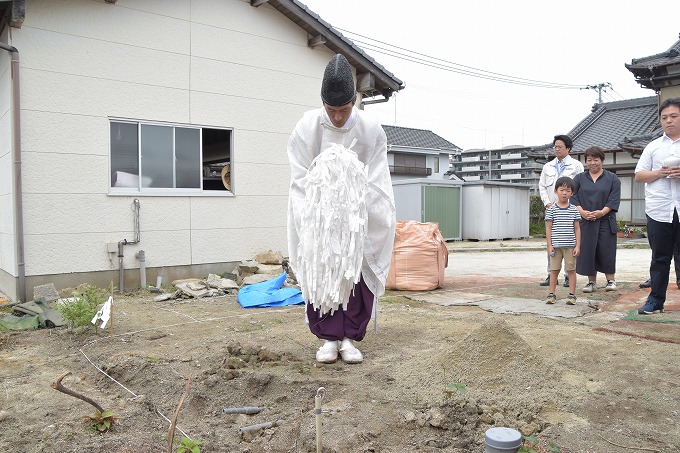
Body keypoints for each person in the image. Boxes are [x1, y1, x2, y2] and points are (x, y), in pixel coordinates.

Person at [287, 54, 396, 362]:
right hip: (321, 216)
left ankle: (349, 337)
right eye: (331, 110)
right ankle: (327, 338)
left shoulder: (371, 129)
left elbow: (377, 176)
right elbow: (299, 175)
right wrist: (319, 202)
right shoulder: (307, 127)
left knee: (355, 272)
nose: (337, 117)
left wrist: (354, 200)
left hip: (356, 216)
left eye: (343, 110)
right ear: (323, 104)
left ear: (354, 102)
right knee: (322, 268)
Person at [634, 97, 680, 314]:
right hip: (659, 211)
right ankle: (655, 300)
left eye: (673, 116)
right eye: (664, 118)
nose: (668, 121)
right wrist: (659, 173)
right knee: (659, 258)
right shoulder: (653, 147)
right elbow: (639, 175)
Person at [571, 146, 621, 293]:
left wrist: (601, 212)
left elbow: (614, 199)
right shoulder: (579, 178)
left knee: (606, 250)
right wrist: (582, 212)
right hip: (585, 220)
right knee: (587, 250)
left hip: (606, 219)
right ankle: (591, 282)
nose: (593, 163)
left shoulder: (613, 178)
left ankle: (610, 280)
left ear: (602, 160)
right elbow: (574, 197)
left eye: (596, 160)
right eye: (589, 160)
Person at [538, 135, 584, 287]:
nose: (556, 149)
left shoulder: (576, 165)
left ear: (568, 148)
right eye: (555, 147)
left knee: (569, 241)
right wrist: (547, 203)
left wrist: (575, 205)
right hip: (553, 208)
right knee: (551, 242)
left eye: (560, 147)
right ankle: (551, 273)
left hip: (569, 210)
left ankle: (567, 275)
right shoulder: (548, 166)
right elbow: (542, 186)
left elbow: (579, 188)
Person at [544, 176, 581, 305]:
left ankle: (571, 295)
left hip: (570, 246)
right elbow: (548, 228)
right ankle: (551, 294)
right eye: (561, 190)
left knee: (571, 270)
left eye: (568, 190)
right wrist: (549, 246)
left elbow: (577, 229)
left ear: (572, 193)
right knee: (554, 270)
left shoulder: (574, 209)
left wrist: (578, 246)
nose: (564, 193)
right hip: (555, 246)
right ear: (555, 191)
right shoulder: (551, 210)